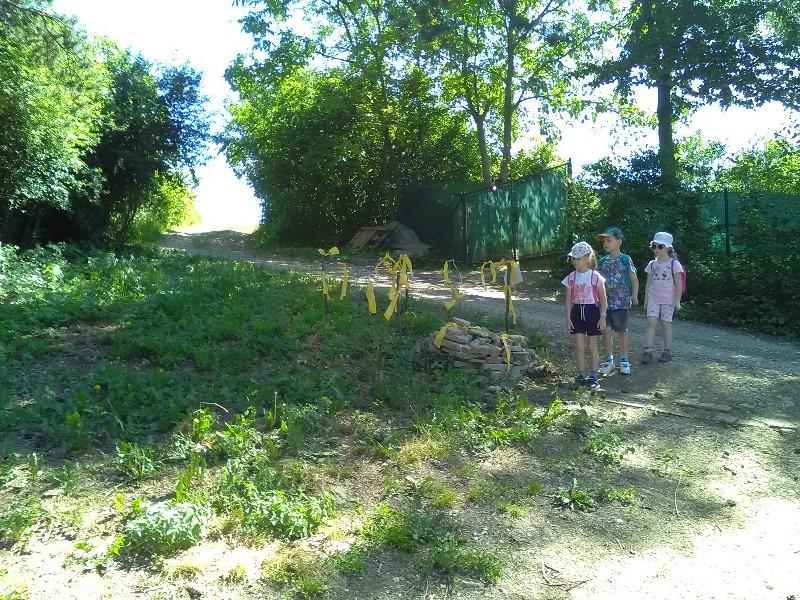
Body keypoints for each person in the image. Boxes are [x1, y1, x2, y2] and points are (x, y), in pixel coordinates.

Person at [562, 241, 608, 389]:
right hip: (577, 312)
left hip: (592, 312)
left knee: (592, 345)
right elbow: (568, 299)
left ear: (587, 258)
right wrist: (568, 318)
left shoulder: (595, 277)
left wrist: (602, 316)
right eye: (573, 258)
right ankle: (581, 375)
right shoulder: (571, 277)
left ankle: (594, 376)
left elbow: (603, 299)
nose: (575, 261)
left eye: (578, 258)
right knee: (579, 345)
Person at [595, 226, 639, 375]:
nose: (605, 244)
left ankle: (624, 360)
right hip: (605, 304)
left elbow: (634, 279)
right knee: (606, 330)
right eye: (604, 241)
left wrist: (634, 295)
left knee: (622, 331)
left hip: (621, 302)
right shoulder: (602, 261)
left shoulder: (625, 260)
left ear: (619, 242)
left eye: (609, 240)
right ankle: (609, 360)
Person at [642, 231, 684, 363]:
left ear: (668, 248)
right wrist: (646, 299)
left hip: (668, 300)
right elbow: (648, 283)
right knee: (651, 322)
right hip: (653, 298)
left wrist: (677, 300)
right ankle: (648, 350)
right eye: (654, 246)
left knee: (666, 324)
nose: (656, 249)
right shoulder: (652, 264)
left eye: (660, 246)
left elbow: (678, 284)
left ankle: (667, 351)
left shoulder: (674, 264)